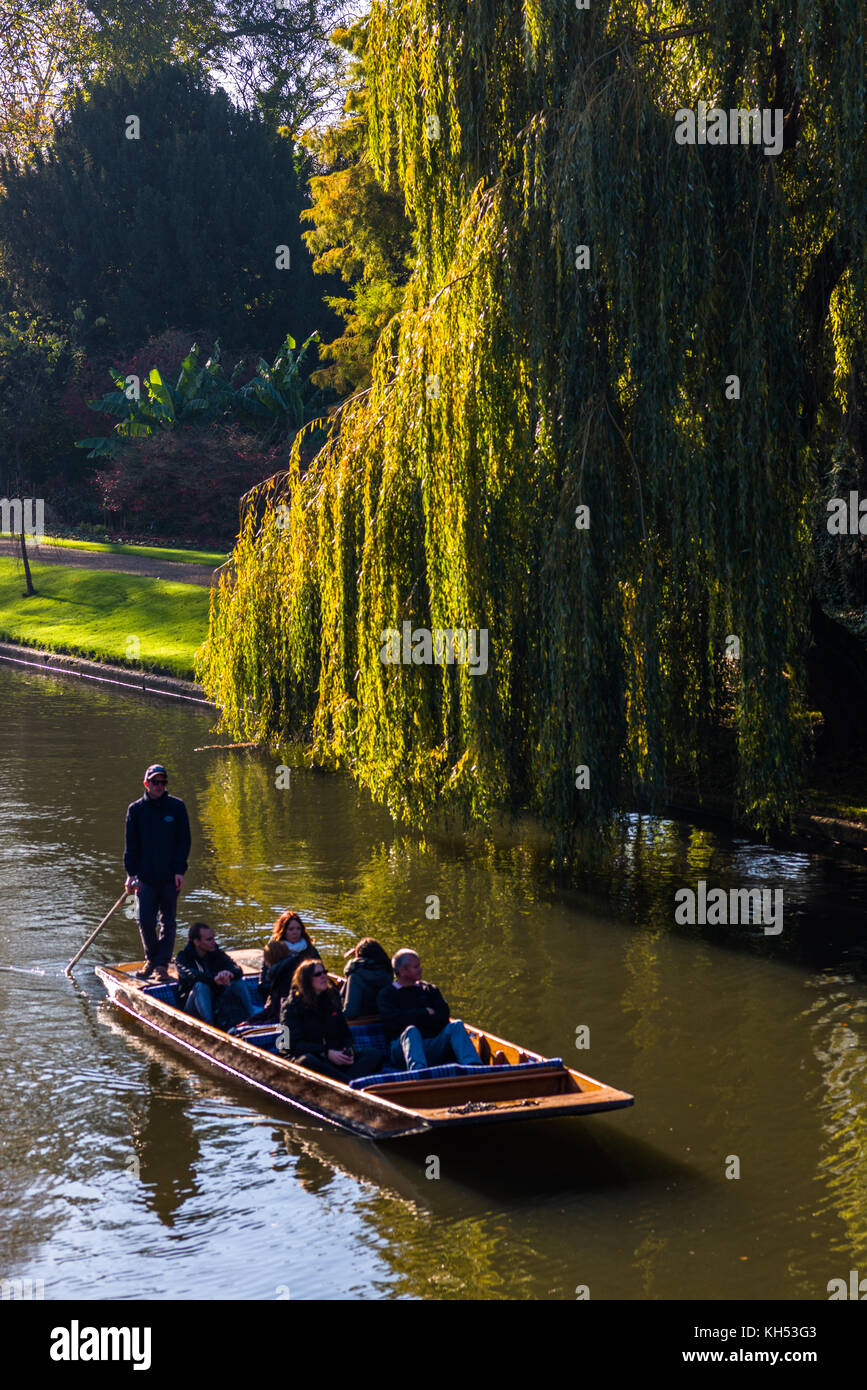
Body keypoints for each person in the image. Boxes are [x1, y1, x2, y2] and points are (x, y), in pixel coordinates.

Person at [124, 763, 191, 983]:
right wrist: (130, 874)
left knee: (168, 921)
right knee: (144, 920)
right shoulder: (135, 810)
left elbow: (184, 842)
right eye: (155, 782)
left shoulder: (177, 807)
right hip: (145, 878)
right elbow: (131, 846)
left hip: (170, 877)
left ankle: (161, 965)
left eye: (163, 782)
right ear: (146, 784)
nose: (159, 786)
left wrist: (180, 871)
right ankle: (152, 959)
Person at [277, 959, 383, 1082]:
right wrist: (325, 1052)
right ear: (306, 980)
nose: (323, 977)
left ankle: (344, 1081)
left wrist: (347, 1049)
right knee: (307, 1061)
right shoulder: (291, 1006)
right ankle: (347, 1083)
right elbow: (290, 1045)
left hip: (334, 1058)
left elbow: (345, 1033)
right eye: (318, 974)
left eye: (324, 972)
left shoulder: (332, 998)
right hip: (311, 1057)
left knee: (373, 1054)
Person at [377, 949, 482, 1071]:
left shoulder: (429, 989)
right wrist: (425, 1013)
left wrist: (411, 1016)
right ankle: (419, 1073)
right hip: (402, 1051)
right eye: (415, 967)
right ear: (402, 971)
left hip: (433, 1045)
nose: (420, 969)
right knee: (411, 1031)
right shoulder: (387, 994)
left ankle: (474, 1067)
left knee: (456, 1025)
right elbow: (392, 1023)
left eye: (419, 966)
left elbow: (443, 1016)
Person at [175, 922, 249, 1030]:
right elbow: (192, 975)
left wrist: (230, 974)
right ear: (196, 942)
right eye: (209, 940)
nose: (213, 942)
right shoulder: (183, 957)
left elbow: (237, 969)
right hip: (192, 1007)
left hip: (217, 1001)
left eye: (213, 938)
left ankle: (251, 1019)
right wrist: (214, 978)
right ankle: (210, 1029)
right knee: (200, 986)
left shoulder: (217, 953)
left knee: (238, 983)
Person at [258, 911, 319, 999]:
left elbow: (320, 970)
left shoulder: (309, 949)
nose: (295, 932)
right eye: (291, 929)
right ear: (283, 931)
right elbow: (264, 983)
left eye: (298, 929)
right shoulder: (275, 950)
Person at [341, 937, 393, 1019]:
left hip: (361, 1024)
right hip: (383, 1020)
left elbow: (351, 1012)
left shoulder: (355, 976)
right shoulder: (388, 971)